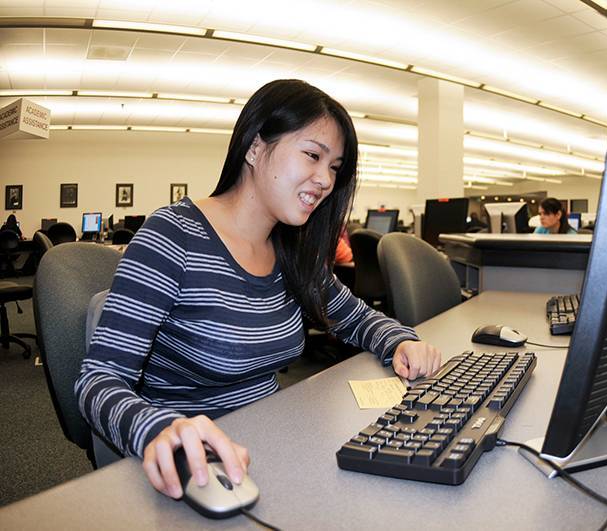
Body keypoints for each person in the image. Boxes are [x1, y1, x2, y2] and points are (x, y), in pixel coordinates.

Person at [76, 79, 442, 500]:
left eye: (334, 168)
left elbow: (357, 318)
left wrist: (399, 342)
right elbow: (97, 380)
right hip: (197, 469)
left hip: (274, 446)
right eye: (312, 155)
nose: (324, 180)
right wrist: (157, 430)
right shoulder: (173, 236)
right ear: (253, 147)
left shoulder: (290, 249)